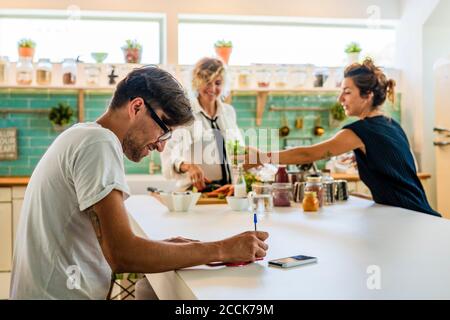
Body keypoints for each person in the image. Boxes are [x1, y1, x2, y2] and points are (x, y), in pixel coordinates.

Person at [10, 66, 269, 300]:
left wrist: (175, 247)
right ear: (136, 107)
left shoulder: (83, 136)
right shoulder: (98, 143)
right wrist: (223, 249)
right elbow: (123, 254)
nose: (161, 145)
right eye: (164, 128)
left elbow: (117, 245)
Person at [247, 59, 440, 217]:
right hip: (416, 213)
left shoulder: (360, 130)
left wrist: (261, 157)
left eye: (347, 92)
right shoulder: (391, 124)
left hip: (411, 216)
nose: (340, 99)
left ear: (368, 96)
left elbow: (308, 154)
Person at [161, 57, 243, 191]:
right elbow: (169, 155)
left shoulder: (229, 112)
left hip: (227, 192)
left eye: (217, 83)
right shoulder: (185, 113)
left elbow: (239, 151)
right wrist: (188, 166)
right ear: (196, 82)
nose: (213, 88)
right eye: (207, 82)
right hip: (195, 193)